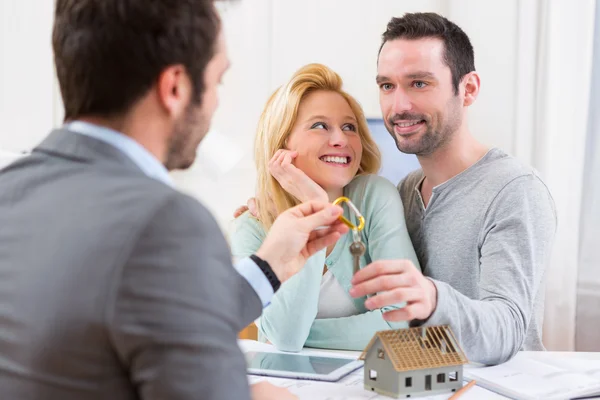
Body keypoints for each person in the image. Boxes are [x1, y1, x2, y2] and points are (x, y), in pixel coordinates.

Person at [0, 1, 350, 399]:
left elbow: (132, 314)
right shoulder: (167, 221)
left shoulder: (9, 191)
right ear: (176, 88)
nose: (216, 102)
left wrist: (268, 268)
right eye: (217, 82)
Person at [238, 12, 557, 366]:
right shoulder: (404, 192)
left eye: (419, 83)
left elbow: (509, 328)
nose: (399, 105)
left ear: (467, 89)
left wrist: (431, 300)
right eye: (388, 86)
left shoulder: (514, 190)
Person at [231, 64, 420, 352]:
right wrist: (315, 209)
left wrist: (304, 335)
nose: (340, 139)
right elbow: (287, 339)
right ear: (282, 143)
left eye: (349, 127)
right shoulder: (251, 228)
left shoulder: (373, 198)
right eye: (319, 125)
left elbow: (406, 319)